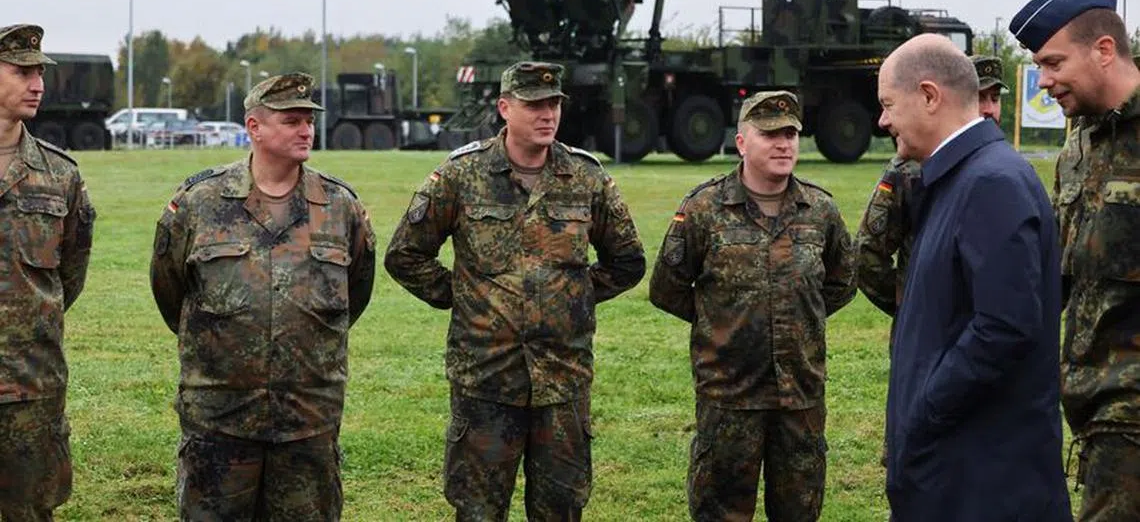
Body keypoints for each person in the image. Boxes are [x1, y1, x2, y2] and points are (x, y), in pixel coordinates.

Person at [383, 61, 645, 522]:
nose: (547, 114)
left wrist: (574, 296)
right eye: (534, 105)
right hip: (485, 379)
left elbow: (627, 260)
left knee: (561, 508)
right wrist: (460, 296)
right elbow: (405, 254)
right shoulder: (461, 176)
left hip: (562, 379)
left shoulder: (585, 178)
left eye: (553, 105)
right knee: (479, 510)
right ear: (505, 108)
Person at [149, 72, 375, 522]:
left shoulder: (338, 205)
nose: (306, 130)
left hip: (307, 418)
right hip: (220, 416)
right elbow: (169, 287)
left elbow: (358, 289)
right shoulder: (201, 202)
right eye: (291, 120)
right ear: (254, 127)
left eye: (309, 120)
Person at [877, 34, 1070, 521]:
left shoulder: (990, 183)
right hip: (958, 471)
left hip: (982, 484)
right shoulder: (958, 178)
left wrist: (926, 408)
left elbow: (1005, 327)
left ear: (928, 96)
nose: (882, 121)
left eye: (887, 104)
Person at [648, 90, 856, 522]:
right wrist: (720, 321)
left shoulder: (820, 210)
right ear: (742, 142)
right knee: (720, 512)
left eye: (791, 134)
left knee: (799, 511)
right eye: (770, 135)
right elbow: (667, 288)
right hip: (729, 396)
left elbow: (841, 282)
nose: (784, 144)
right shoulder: (704, 208)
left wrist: (797, 317)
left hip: (799, 396)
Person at [1009, 0, 1140, 520]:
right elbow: (1066, 270)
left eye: (1054, 63)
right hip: (1089, 404)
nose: (1044, 81)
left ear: (1104, 50)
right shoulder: (1079, 143)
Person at [0, 24, 95, 522]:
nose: (37, 84)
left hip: (30, 385)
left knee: (30, 511)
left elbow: (68, 274)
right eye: (22, 72)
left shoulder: (59, 175)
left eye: (39, 72)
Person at [856, 54, 1009, 321]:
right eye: (979, 98)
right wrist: (912, 305)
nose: (988, 110)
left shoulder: (1012, 171)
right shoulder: (909, 173)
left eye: (994, 99)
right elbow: (866, 254)